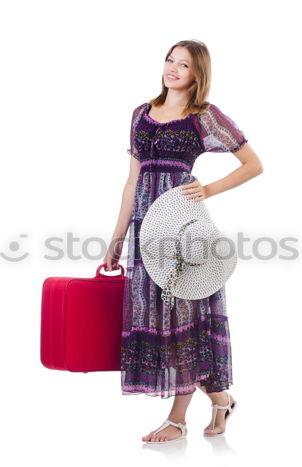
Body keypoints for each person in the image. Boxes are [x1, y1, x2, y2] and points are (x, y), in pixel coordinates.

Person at [103, 39, 263, 443]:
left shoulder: (203, 116)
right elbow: (132, 181)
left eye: (184, 64)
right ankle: (221, 399)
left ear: (198, 73)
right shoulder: (141, 113)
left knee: (183, 317)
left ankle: (177, 418)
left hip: (182, 228)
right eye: (169, 60)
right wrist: (117, 238)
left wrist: (208, 190)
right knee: (160, 314)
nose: (173, 68)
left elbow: (253, 164)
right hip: (146, 229)